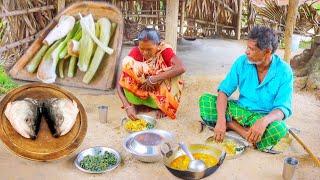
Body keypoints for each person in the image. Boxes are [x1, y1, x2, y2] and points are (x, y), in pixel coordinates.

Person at [199, 26, 294, 151]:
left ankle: (235, 126)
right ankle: (236, 128)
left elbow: (282, 108)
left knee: (279, 129)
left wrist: (264, 121)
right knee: (205, 101)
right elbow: (223, 91)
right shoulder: (242, 62)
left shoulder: (284, 71)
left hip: (261, 117)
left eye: (251, 49)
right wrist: (221, 120)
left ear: (267, 52)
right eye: (247, 47)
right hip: (239, 111)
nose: (246, 52)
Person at [117, 26, 185, 120]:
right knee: (127, 66)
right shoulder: (135, 52)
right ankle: (136, 104)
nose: (144, 53)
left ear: (158, 45)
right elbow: (119, 84)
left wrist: (154, 79)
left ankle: (162, 107)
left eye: (149, 49)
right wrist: (127, 106)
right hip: (140, 95)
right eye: (142, 48)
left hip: (158, 93)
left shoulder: (164, 50)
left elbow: (181, 67)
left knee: (175, 75)